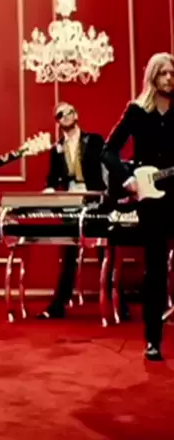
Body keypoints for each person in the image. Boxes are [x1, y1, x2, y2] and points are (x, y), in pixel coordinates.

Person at [102, 52, 174, 361]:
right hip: (150, 198)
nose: (169, 78)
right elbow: (108, 150)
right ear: (152, 77)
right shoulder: (137, 111)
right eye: (163, 73)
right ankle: (152, 340)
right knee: (155, 268)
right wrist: (127, 178)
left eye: (172, 73)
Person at [38, 102, 130, 320]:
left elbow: (108, 164)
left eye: (68, 112)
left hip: (95, 200)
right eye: (60, 114)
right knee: (68, 253)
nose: (65, 116)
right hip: (71, 201)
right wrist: (50, 188)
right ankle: (58, 305)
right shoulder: (57, 148)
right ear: (57, 121)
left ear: (76, 115)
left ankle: (119, 305)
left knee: (104, 253)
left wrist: (113, 191)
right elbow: (52, 177)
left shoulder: (93, 140)